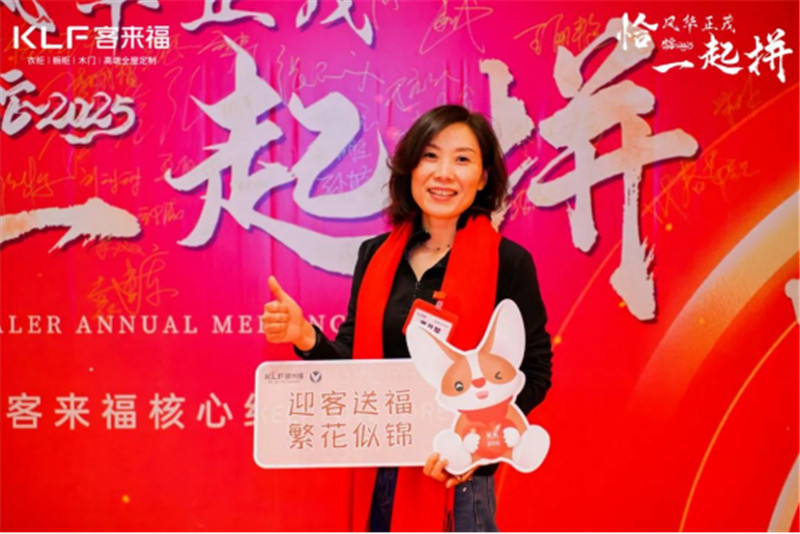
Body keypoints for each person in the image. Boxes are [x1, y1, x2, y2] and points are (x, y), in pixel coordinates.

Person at [261, 104, 552, 532]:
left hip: (458, 480)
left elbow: (535, 370)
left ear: (483, 177)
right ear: (411, 168)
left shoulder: (508, 262)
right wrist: (306, 336)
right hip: (379, 468)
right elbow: (356, 368)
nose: (444, 173)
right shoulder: (375, 255)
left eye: (462, 159)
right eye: (430, 156)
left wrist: (478, 443)